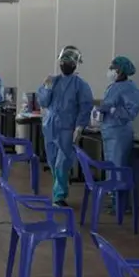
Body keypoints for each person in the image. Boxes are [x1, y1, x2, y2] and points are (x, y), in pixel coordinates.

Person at [38, 46, 95, 207]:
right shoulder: (53, 81)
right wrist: (47, 88)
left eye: (68, 62)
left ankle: (59, 196)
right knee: (52, 161)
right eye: (62, 61)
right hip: (50, 127)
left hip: (67, 129)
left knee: (62, 164)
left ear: (75, 64)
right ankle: (58, 192)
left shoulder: (80, 85)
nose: (64, 64)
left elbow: (85, 107)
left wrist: (79, 127)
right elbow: (43, 102)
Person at [98, 56, 139, 204]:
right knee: (111, 167)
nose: (111, 71)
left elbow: (132, 111)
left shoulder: (130, 88)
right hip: (109, 131)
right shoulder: (113, 86)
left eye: (114, 68)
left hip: (119, 133)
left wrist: (113, 110)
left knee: (119, 167)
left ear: (121, 71)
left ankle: (121, 204)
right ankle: (113, 200)